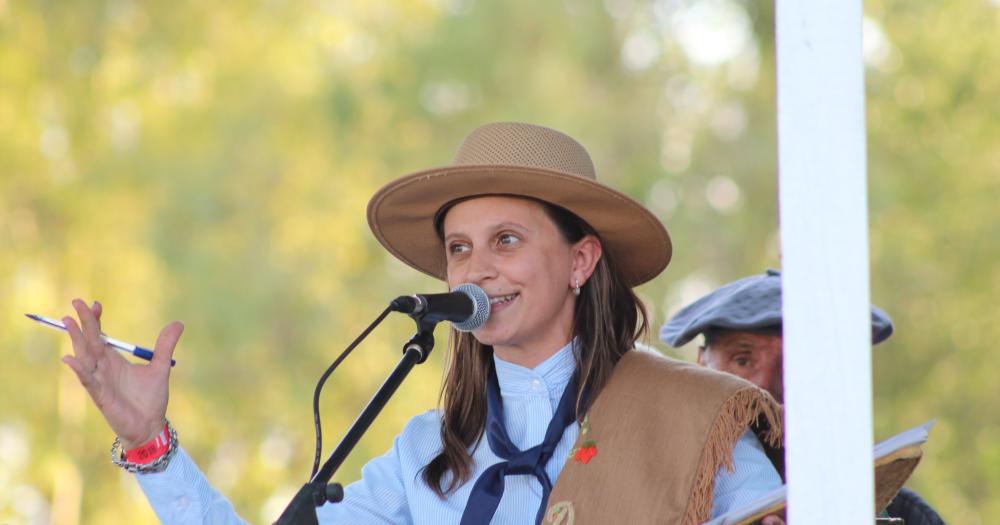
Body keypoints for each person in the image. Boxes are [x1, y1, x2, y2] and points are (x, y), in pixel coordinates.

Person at [61, 122, 785, 524]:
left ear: (580, 260)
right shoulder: (427, 454)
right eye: (459, 249)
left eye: (506, 240)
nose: (476, 270)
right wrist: (149, 443)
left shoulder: (694, 417)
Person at [660, 268, 945, 525]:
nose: (766, 387)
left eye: (793, 365)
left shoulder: (903, 514)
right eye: (743, 360)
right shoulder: (655, 492)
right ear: (701, 365)